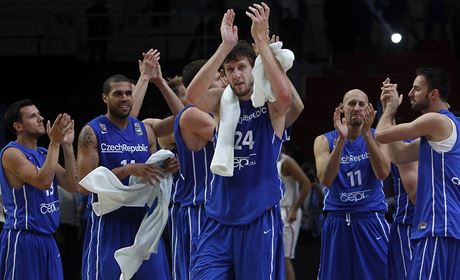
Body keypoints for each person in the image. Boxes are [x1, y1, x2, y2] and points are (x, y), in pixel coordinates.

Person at [186, 4, 296, 278]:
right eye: (231, 69)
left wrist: (261, 42)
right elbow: (191, 97)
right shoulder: (222, 102)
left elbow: (286, 100)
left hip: (258, 217)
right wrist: (225, 47)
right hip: (219, 217)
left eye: (242, 67)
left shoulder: (268, 103)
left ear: (253, 68)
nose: (237, 74)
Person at [77, 74, 178, 279]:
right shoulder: (92, 131)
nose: (124, 98)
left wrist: (168, 166)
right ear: (105, 98)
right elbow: (84, 185)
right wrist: (128, 170)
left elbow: (152, 172)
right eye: (117, 94)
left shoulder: (145, 131)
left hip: (143, 220)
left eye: (128, 93)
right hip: (109, 221)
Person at [375, 67, 460, 279]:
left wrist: (390, 109)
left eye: (416, 89)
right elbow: (399, 155)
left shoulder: (436, 120)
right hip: (450, 226)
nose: (411, 93)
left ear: (434, 94)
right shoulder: (448, 127)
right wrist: (389, 110)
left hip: (438, 225)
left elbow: (381, 135)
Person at [313, 89, 391, 280]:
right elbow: (325, 179)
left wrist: (366, 134)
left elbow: (383, 173)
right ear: (341, 108)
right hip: (337, 219)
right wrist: (341, 140)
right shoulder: (324, 140)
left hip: (370, 218)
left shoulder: (378, 137)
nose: (357, 108)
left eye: (362, 104)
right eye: (351, 103)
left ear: (369, 110)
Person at [0, 99, 80, 279]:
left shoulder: (44, 153)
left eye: (39, 114)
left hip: (48, 239)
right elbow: (42, 181)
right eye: (32, 116)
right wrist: (55, 144)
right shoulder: (11, 153)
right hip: (23, 238)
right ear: (18, 126)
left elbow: (73, 185)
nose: (40, 118)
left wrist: (67, 145)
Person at [277, 144, 312, 280]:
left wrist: (295, 209)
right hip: (274, 212)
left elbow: (306, 184)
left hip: (287, 211)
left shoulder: (286, 161)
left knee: (284, 257)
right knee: (274, 255)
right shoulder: (268, 161)